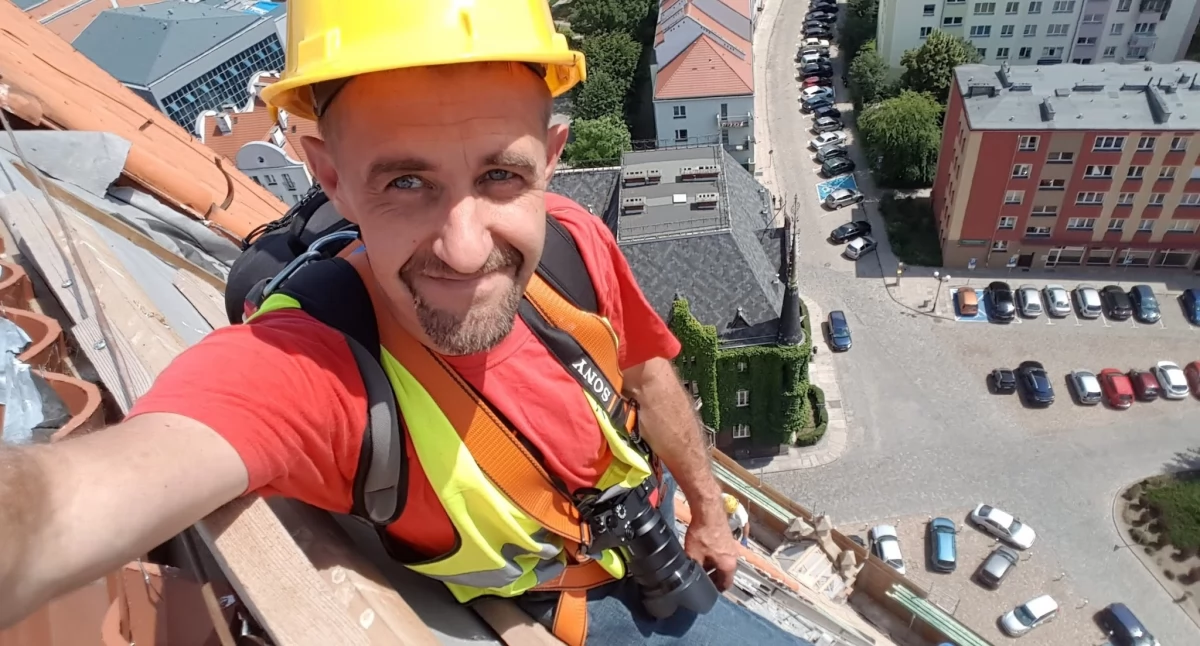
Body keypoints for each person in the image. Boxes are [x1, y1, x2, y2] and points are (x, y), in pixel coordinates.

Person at [0, 2, 809, 644]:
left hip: (654, 524)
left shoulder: (574, 245)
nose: (465, 248)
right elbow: (83, 501)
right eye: (406, 184)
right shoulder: (316, 365)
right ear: (331, 178)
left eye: (501, 174)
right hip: (562, 610)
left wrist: (707, 511)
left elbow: (648, 374)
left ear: (552, 156)